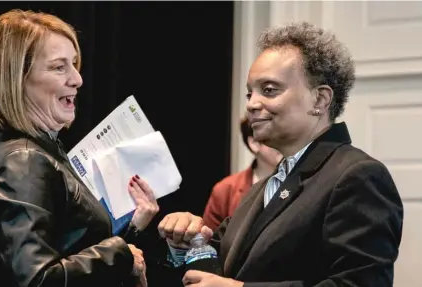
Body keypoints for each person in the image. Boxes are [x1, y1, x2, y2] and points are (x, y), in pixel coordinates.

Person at [157, 21, 403, 286]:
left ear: (320, 100)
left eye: (269, 90)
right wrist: (185, 241)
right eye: (250, 93)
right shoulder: (263, 188)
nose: (252, 104)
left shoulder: (357, 176)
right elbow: (221, 264)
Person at [0, 10, 160, 287]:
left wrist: (131, 232)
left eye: (74, 64)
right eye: (59, 67)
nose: (77, 79)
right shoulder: (24, 161)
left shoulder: (42, 150)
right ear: (17, 79)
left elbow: (73, 254)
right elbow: (38, 280)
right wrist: (120, 253)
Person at [203, 114, 282, 230]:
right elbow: (209, 242)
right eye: (276, 136)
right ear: (254, 143)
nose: (284, 142)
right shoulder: (225, 190)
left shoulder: (301, 179)